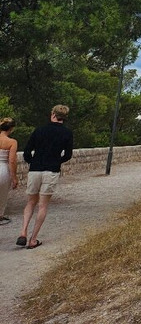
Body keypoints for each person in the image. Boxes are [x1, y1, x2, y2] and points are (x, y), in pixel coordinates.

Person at [17, 105, 73, 249]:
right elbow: (67, 155)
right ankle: (33, 239)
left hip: (35, 169)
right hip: (51, 171)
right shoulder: (67, 133)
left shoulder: (39, 130)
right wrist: (56, 161)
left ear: (53, 114)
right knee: (43, 205)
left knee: (30, 202)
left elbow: (27, 152)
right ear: (64, 117)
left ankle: (23, 232)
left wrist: (33, 161)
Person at [0, 118, 17, 224]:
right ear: (11, 129)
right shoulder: (12, 142)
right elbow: (11, 160)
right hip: (3, 169)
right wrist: (14, 177)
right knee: (2, 196)